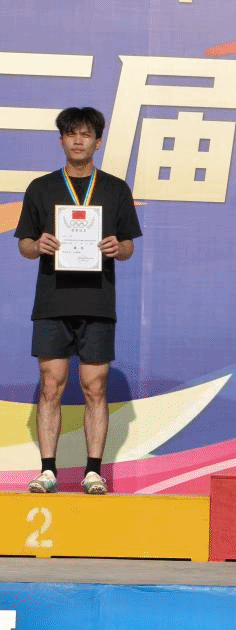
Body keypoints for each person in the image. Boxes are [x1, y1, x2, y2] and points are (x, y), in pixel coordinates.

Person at [16, 106, 142, 495]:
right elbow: (23, 244)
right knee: (50, 385)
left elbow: (128, 247)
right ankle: (47, 470)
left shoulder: (115, 189)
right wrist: (37, 245)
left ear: (97, 142)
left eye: (86, 134)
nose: (78, 141)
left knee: (95, 386)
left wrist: (116, 247)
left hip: (97, 303)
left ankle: (93, 471)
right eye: (71, 134)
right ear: (61, 141)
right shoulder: (41, 188)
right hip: (53, 302)